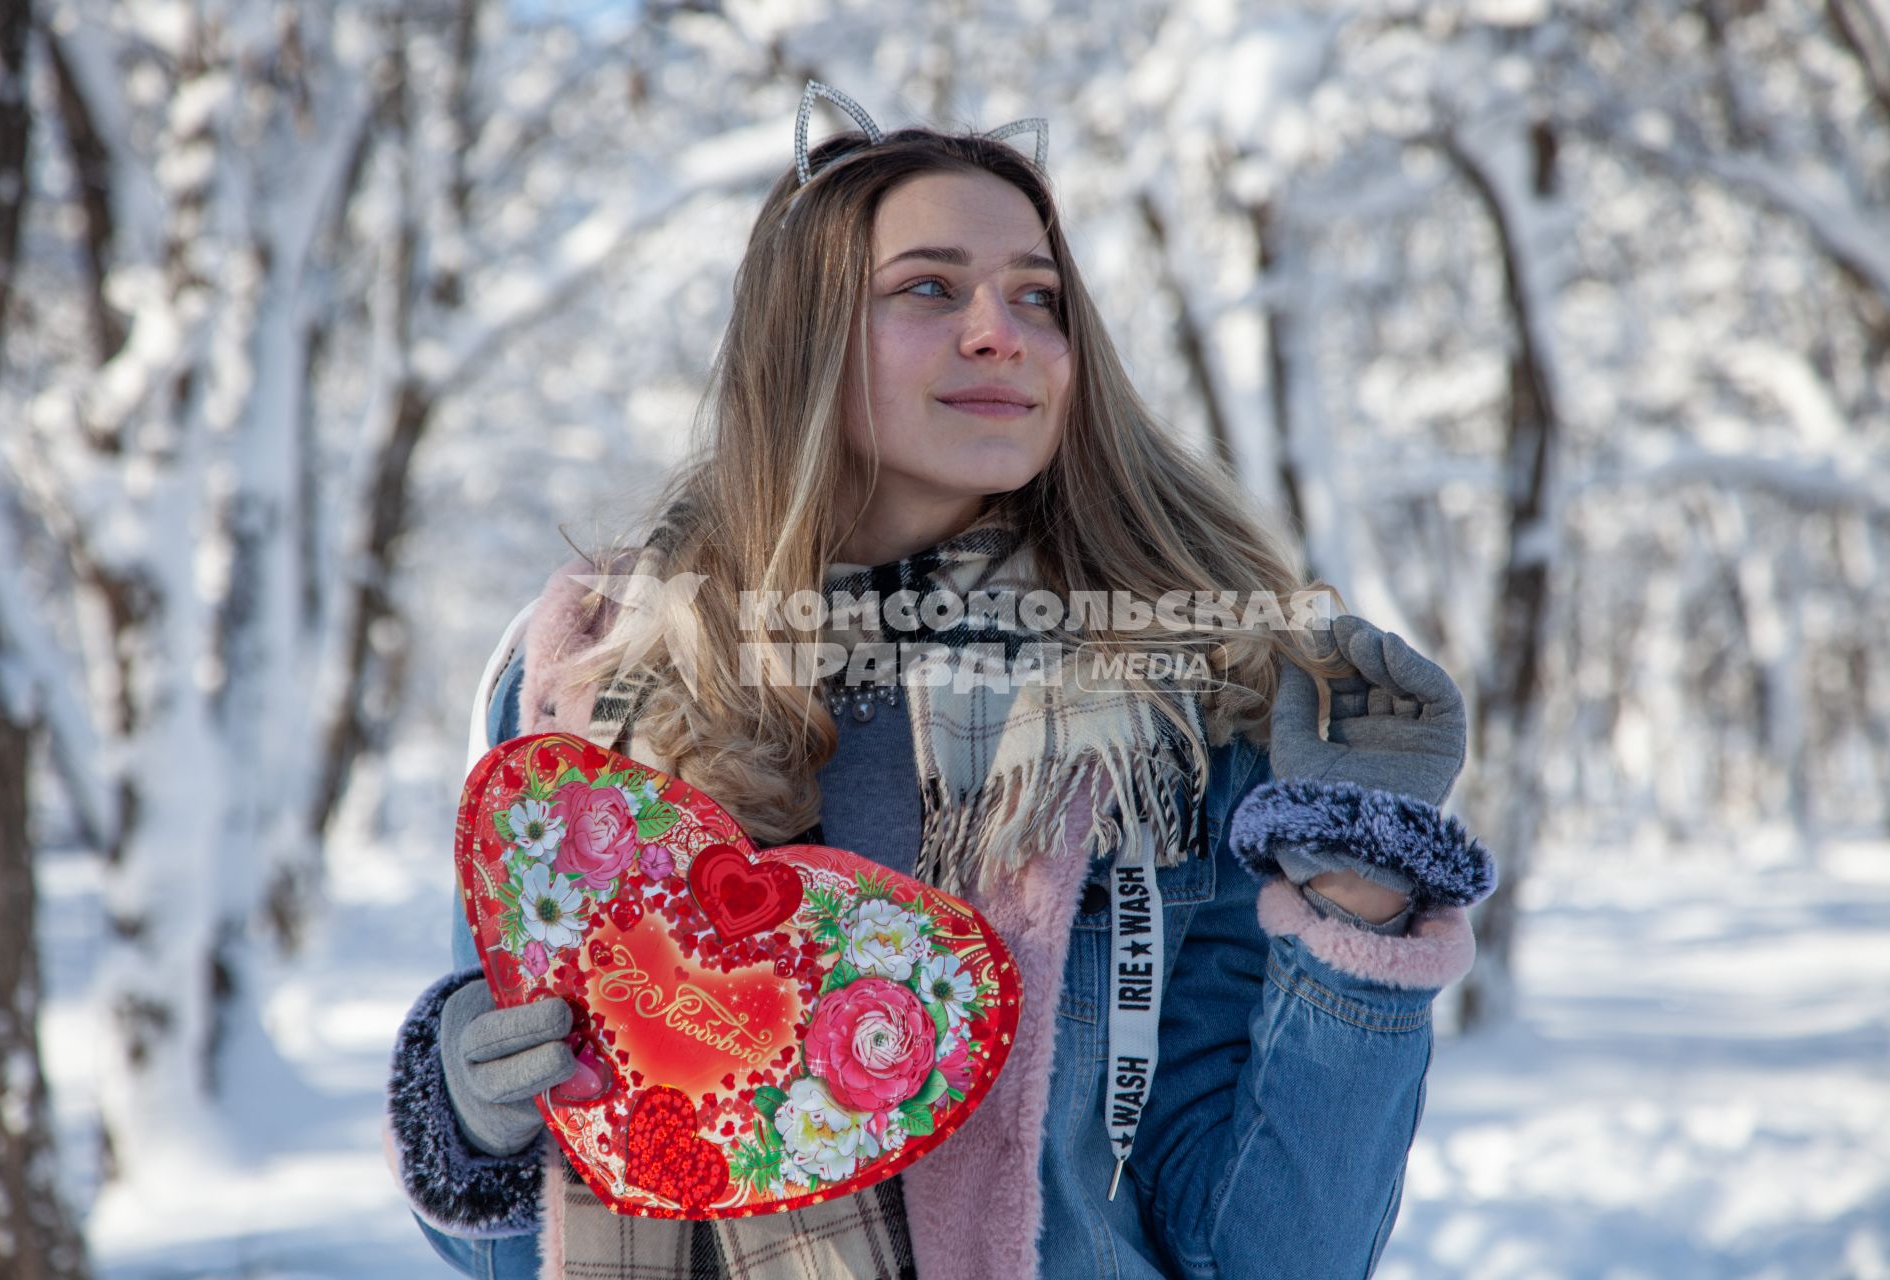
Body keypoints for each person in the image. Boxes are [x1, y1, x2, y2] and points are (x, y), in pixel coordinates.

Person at [384, 82, 1495, 1280]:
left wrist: (1358, 883)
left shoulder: (1175, 709)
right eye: (928, 287)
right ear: (800, 338)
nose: (999, 331)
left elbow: (1275, 1254)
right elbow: (501, 1242)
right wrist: (471, 1109)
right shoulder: (597, 678)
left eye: (1039, 296)